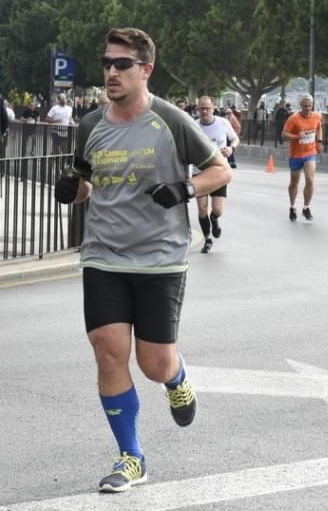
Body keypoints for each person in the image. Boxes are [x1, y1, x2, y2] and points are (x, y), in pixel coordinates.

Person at [52, 28, 231, 493]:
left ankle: (176, 377)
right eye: (108, 63)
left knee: (153, 363)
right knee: (108, 351)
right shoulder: (91, 125)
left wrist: (184, 189)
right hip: (104, 255)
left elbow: (220, 170)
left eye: (122, 64)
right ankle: (130, 455)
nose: (111, 71)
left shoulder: (171, 121)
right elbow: (87, 181)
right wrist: (74, 192)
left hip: (160, 259)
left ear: (145, 70)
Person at [193, 96, 239, 253]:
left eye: (207, 108)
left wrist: (231, 148)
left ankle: (214, 219)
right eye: (201, 108)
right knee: (201, 208)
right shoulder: (193, 126)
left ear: (213, 108)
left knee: (218, 210)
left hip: (219, 172)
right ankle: (207, 239)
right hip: (200, 172)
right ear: (198, 110)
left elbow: (235, 139)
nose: (205, 111)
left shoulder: (223, 123)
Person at [282, 94, 323, 221]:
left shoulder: (317, 116)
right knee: (294, 182)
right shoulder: (293, 119)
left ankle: (306, 208)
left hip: (310, 152)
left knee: (310, 180)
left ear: (312, 106)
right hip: (296, 155)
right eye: (305, 106)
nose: (307, 108)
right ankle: (292, 207)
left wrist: (320, 141)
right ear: (301, 106)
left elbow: (319, 128)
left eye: (309, 106)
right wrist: (296, 137)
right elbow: (283, 135)